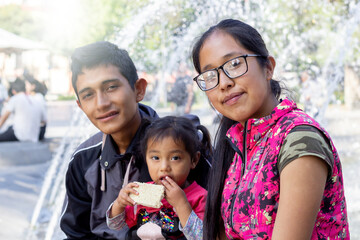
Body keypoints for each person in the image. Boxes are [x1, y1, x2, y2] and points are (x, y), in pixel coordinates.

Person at [191, 19, 349, 239]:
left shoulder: (299, 140)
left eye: (235, 64)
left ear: (268, 68)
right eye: (210, 75)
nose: (223, 83)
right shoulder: (239, 144)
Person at [60, 41, 159, 239]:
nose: (101, 104)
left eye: (111, 87)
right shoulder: (83, 160)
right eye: (88, 95)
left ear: (139, 89)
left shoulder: (183, 147)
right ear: (80, 106)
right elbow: (76, 233)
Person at [106, 116, 212, 239]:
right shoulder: (141, 193)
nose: (164, 167)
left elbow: (203, 237)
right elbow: (116, 225)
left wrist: (181, 204)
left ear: (194, 160)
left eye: (175, 158)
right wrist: (119, 203)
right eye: (155, 158)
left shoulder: (199, 197)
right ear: (146, 159)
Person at [0, 78, 44, 142]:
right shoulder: (35, 100)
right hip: (34, 136)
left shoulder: (15, 98)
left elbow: (4, 117)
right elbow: (43, 121)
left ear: (13, 91)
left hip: (19, 136)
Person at [25, 76, 48, 140]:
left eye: (27, 84)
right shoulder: (30, 97)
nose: (25, 86)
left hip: (39, 130)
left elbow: (43, 119)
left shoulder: (38, 97)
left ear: (33, 86)